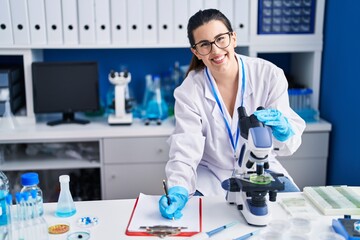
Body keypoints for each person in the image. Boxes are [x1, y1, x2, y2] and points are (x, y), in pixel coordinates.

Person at [159, 9, 306, 220]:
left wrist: (283, 133)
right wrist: (179, 188)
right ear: (196, 52)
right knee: (207, 223)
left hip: (261, 169)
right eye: (205, 44)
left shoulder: (268, 75)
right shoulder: (189, 90)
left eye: (221, 39)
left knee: (292, 218)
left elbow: (286, 145)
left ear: (233, 38)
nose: (215, 50)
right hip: (212, 174)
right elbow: (185, 149)